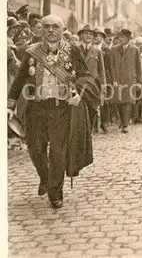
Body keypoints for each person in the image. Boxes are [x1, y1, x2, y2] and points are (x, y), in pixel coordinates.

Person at [7, 15, 100, 209]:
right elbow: (20, 79)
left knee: (58, 152)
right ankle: (45, 177)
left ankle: (55, 192)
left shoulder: (72, 50)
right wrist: (10, 105)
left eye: (55, 27)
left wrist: (79, 94)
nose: (51, 30)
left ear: (63, 29)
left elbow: (86, 77)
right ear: (41, 29)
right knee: (35, 149)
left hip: (61, 108)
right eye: (46, 26)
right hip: (36, 108)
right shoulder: (31, 52)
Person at [109, 29, 142, 133]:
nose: (121, 39)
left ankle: (125, 124)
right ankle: (122, 120)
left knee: (128, 102)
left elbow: (138, 66)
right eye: (120, 37)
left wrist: (139, 81)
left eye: (124, 37)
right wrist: (114, 79)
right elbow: (112, 66)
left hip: (130, 79)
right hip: (118, 79)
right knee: (119, 101)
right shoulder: (114, 49)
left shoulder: (135, 49)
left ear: (128, 38)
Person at [78, 25, 106, 133]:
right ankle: (81, 132)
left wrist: (103, 85)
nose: (88, 36)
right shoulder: (75, 49)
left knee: (92, 108)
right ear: (81, 35)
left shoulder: (97, 51)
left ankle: (89, 130)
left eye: (90, 34)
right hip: (78, 84)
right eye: (86, 33)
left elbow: (101, 70)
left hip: (93, 85)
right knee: (79, 109)